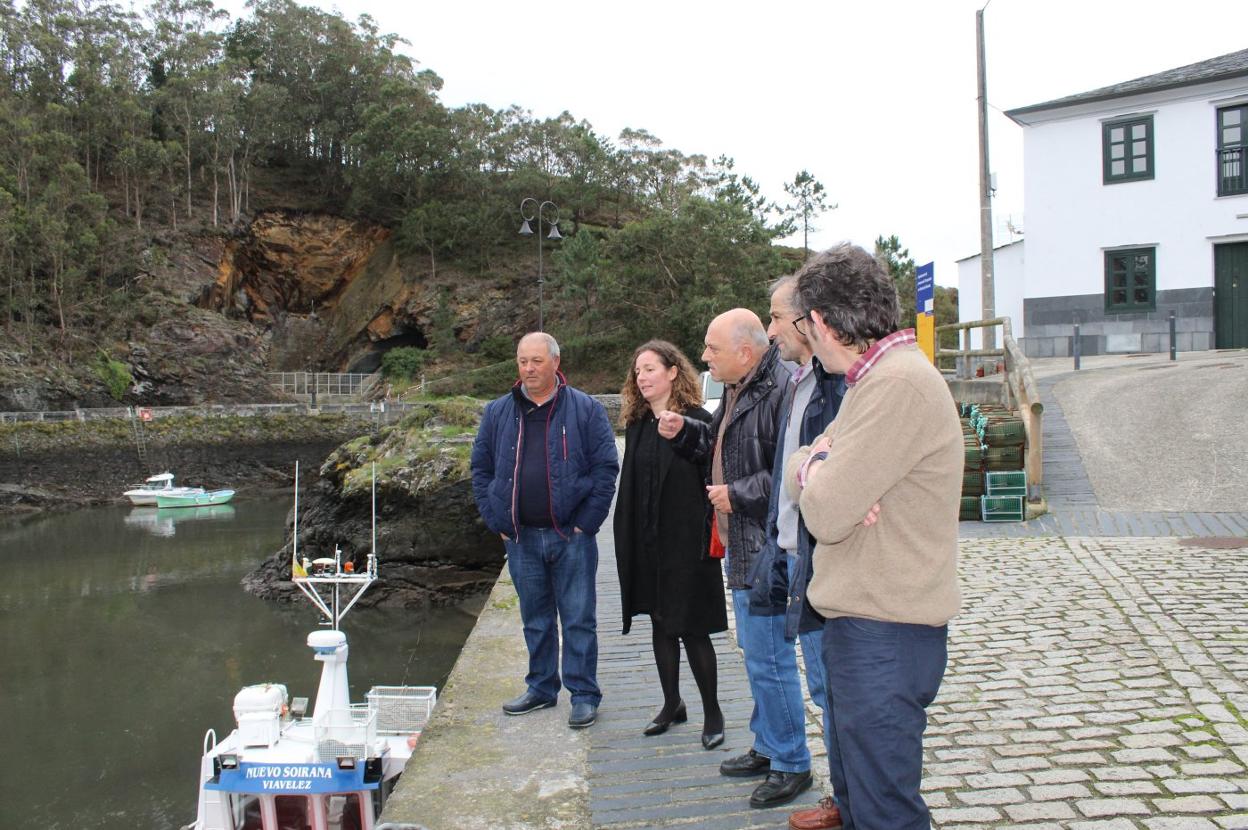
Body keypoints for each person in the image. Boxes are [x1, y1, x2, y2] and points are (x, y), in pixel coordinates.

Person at [784, 244, 963, 830]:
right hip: (869, 627)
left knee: (886, 810)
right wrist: (821, 467)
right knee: (862, 801)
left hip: (885, 632)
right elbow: (801, 467)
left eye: (805, 325)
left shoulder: (896, 386)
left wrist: (823, 474)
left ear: (823, 323)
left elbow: (828, 512)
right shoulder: (876, 380)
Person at [657, 309, 810, 810]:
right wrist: (684, 432)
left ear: (745, 353)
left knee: (770, 659)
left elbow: (796, 474)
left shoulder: (782, 390)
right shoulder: (742, 387)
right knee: (757, 656)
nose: (703, 356)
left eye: (711, 348)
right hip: (743, 546)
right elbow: (717, 448)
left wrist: (738, 494)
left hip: (767, 550)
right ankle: (769, 745)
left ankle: (791, 762)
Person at [470, 332, 619, 729]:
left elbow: (606, 469)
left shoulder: (585, 410)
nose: (529, 369)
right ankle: (541, 687)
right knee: (534, 618)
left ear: (555, 362)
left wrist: (587, 524)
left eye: (536, 361)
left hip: (571, 536)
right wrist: (497, 520)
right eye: (522, 361)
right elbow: (481, 469)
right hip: (520, 537)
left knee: (578, 619)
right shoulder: (498, 412)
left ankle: (584, 694)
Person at [749, 273, 847, 828]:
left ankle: (845, 798)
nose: (771, 330)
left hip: (816, 558)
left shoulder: (836, 389)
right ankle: (844, 793)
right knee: (821, 683)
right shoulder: (801, 382)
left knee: (831, 686)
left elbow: (824, 479)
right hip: (789, 552)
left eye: (776, 317)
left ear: (810, 321)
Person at [613, 340, 728, 750]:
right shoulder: (639, 423)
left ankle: (713, 712)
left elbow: (709, 475)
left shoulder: (699, 419)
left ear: (673, 372)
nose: (642, 377)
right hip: (648, 542)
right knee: (660, 624)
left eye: (650, 369)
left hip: (687, 544)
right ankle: (671, 704)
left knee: (693, 628)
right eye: (637, 371)